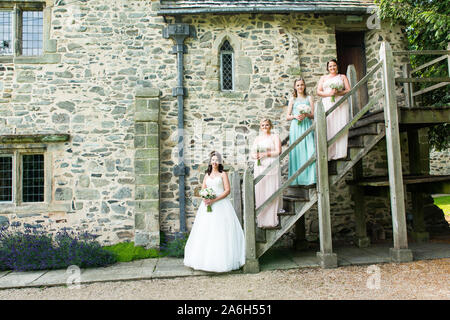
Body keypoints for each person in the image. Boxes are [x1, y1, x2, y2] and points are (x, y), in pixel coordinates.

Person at [183, 151, 245, 273]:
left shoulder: (223, 174)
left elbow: (227, 191)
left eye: (217, 160)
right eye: (213, 160)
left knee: (221, 231)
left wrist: (214, 200)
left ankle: (222, 260)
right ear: (210, 162)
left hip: (221, 205)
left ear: (220, 162)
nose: (215, 162)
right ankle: (205, 261)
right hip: (207, 206)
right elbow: (202, 190)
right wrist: (206, 198)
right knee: (206, 231)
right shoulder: (207, 175)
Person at [317, 59, 351, 160]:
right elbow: (318, 91)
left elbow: (348, 89)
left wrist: (337, 93)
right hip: (327, 102)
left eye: (334, 66)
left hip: (340, 103)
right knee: (329, 125)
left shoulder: (342, 77)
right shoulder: (323, 78)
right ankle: (329, 152)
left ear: (337, 66)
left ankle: (340, 152)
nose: (332, 68)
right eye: (330, 66)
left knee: (340, 124)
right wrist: (329, 94)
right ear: (327, 68)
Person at [251, 119, 282, 228]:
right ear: (260, 127)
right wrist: (257, 156)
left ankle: (271, 218)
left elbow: (278, 151)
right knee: (261, 190)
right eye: (263, 125)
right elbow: (252, 153)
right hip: (260, 167)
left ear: (270, 126)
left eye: (267, 125)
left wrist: (265, 154)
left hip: (271, 165)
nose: (265, 127)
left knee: (271, 190)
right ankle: (262, 219)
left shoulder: (275, 137)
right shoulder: (257, 139)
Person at [286, 78, 316, 185]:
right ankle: (297, 179)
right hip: (296, 127)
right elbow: (287, 116)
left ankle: (310, 178)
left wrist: (306, 114)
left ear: (305, 86)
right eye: (298, 85)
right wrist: (295, 116)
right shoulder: (292, 100)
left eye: (302, 85)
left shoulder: (309, 98)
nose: (300, 87)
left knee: (310, 150)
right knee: (297, 150)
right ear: (295, 87)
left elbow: (313, 114)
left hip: (307, 125)